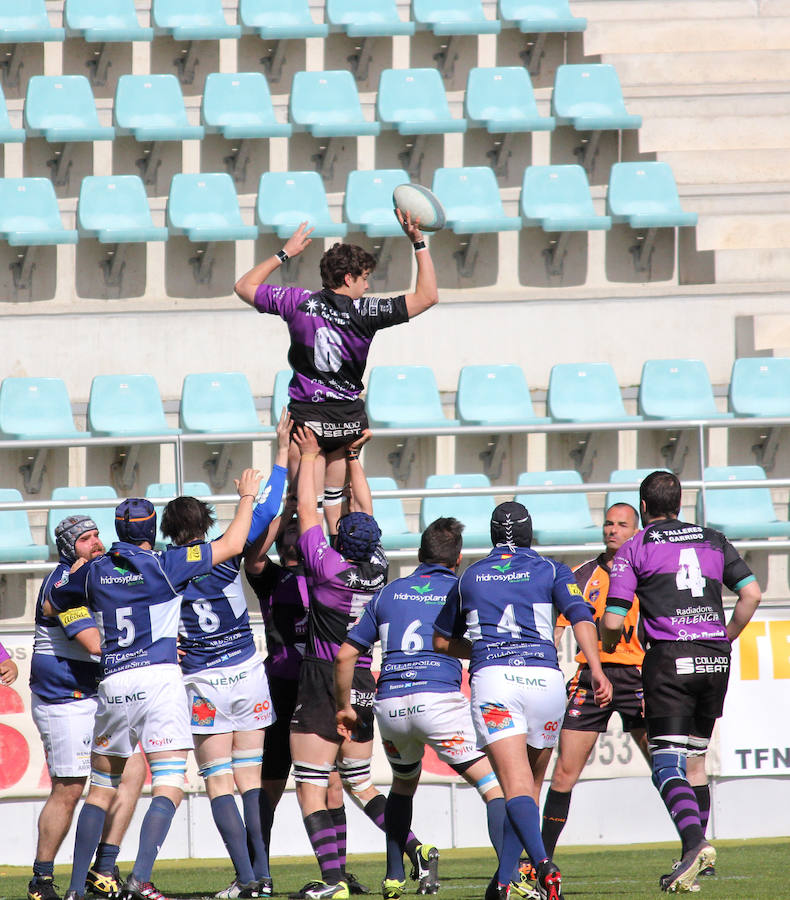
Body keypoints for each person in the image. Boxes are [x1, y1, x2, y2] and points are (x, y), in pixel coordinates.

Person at [46, 469, 263, 900]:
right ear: (151, 531)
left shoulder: (93, 572)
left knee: (101, 787)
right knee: (168, 781)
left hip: (114, 682)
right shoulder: (166, 566)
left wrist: (80, 578)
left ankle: (72, 889)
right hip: (161, 678)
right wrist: (247, 497)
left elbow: (56, 601)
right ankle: (139, 877)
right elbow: (235, 544)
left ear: (117, 530)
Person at [433, 502, 612, 900]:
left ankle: (543, 865)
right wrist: (597, 669)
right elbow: (582, 615)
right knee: (530, 789)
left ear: (493, 534)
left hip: (497, 680)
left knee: (513, 788)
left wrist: (479, 647)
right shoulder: (552, 568)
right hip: (546, 680)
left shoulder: (470, 576)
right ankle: (502, 883)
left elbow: (440, 640)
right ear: (531, 533)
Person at [335, 517, 519, 900]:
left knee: (402, 785)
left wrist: (344, 709)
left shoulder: (388, 593)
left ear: (420, 554)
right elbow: (481, 641)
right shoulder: (463, 589)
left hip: (390, 705)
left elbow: (346, 655)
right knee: (495, 787)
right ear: (459, 559)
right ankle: (508, 877)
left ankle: (392, 877)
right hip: (438, 701)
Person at [289, 427, 436, 900]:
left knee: (311, 784)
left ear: (340, 539)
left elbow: (307, 507)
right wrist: (352, 457)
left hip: (321, 673)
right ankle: (415, 847)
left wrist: (311, 455)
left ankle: (333, 882)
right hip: (365, 677)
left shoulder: (327, 568)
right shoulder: (379, 566)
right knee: (354, 780)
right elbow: (365, 508)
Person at [601, 471, 761, 894]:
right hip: (714, 660)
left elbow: (614, 620)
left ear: (643, 507)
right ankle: (697, 864)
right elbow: (752, 594)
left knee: (665, 763)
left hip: (670, 661)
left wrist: (609, 637)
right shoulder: (714, 540)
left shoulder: (635, 547)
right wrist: (724, 637)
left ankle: (694, 844)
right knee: (695, 762)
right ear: (679, 501)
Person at [233, 211, 438, 535]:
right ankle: (345, 570)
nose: (368, 284)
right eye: (365, 277)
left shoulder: (297, 301)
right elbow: (428, 297)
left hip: (308, 422)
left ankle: (297, 570)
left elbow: (244, 286)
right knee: (338, 509)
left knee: (301, 507)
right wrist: (418, 243)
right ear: (348, 278)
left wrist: (285, 252)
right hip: (347, 421)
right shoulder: (366, 310)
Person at [166, 421, 289, 900]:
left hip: (202, 681)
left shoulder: (163, 568)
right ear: (207, 524)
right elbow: (271, 505)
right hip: (247, 673)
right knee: (250, 780)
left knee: (218, 781)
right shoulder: (226, 553)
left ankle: (246, 877)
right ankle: (263, 873)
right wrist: (281, 452)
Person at [28, 516, 146, 900]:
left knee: (133, 773)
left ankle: (103, 869)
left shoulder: (98, 574)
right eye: (85, 539)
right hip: (64, 698)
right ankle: (42, 880)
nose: (96, 543)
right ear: (67, 548)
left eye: (97, 535)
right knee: (70, 787)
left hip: (94, 694)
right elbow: (94, 644)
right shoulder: (62, 584)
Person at [541, 503, 650, 862]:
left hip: (638, 678)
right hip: (590, 677)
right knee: (563, 774)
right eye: (608, 523)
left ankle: (694, 847)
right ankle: (540, 859)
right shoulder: (582, 574)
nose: (612, 530)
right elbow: (556, 629)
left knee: (666, 766)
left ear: (636, 531)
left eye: (621, 525)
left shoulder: (649, 573)